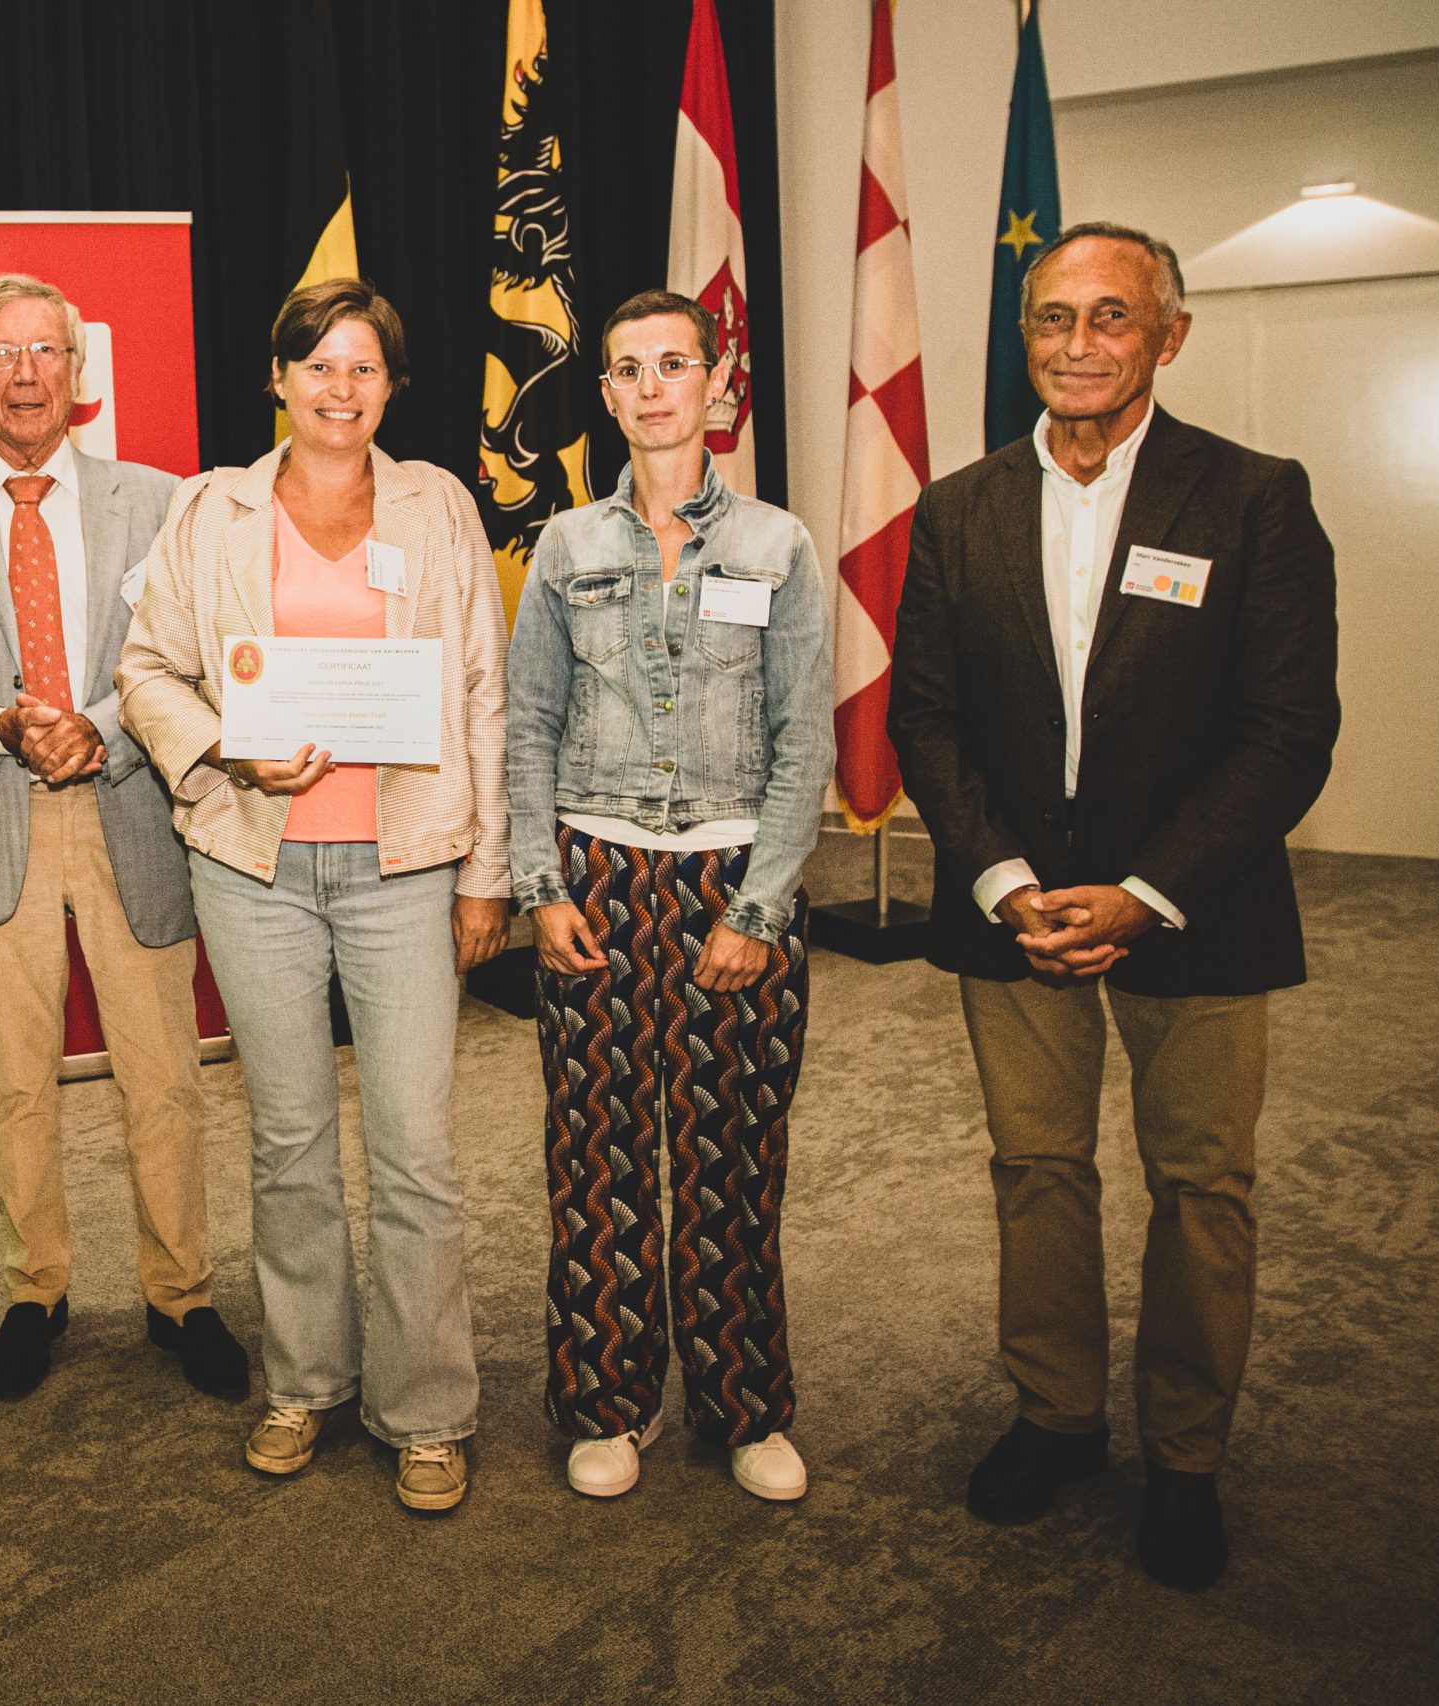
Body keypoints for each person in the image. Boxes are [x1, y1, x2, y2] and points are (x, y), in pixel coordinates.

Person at [888, 222, 1339, 1590]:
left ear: (1167, 335)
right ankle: (1057, 1416)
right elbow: (927, 717)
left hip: (1196, 908)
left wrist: (1145, 893)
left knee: (1202, 1185)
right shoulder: (956, 507)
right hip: (1014, 910)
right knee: (1036, 1169)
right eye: (1052, 317)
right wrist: (1005, 880)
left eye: (1111, 316)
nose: (1078, 343)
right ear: (1023, 334)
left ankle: (1186, 1456)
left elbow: (1288, 728)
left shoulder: (1253, 497)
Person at [116, 279, 509, 1513]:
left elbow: (482, 691)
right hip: (255, 868)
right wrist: (226, 744)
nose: (341, 388)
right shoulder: (209, 508)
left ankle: (426, 1407)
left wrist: (487, 868)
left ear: (393, 385)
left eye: (364, 367)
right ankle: (306, 1380)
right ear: (277, 377)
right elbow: (146, 669)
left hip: (406, 864)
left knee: (414, 1148)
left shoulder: (438, 503)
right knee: (287, 1140)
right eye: (319, 364)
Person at [0, 273, 247, 1405]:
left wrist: (98, 726)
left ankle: (180, 1293)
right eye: (2, 353)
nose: (26, 373)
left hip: (131, 810)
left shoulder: (160, 501)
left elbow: (189, 659)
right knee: (17, 1084)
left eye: (46, 352)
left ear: (79, 375)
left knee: (164, 1077)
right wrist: (1, 726)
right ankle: (34, 1290)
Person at [504, 289, 833, 1504]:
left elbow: (803, 740)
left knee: (731, 1157)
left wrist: (757, 910)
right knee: (594, 1159)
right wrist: (540, 887)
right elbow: (528, 724)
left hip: (734, 877)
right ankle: (607, 1401)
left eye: (674, 364)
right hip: (595, 877)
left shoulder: (778, 545)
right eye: (629, 369)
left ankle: (745, 1403)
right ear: (605, 393)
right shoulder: (564, 547)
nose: (652, 387)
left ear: (713, 382)